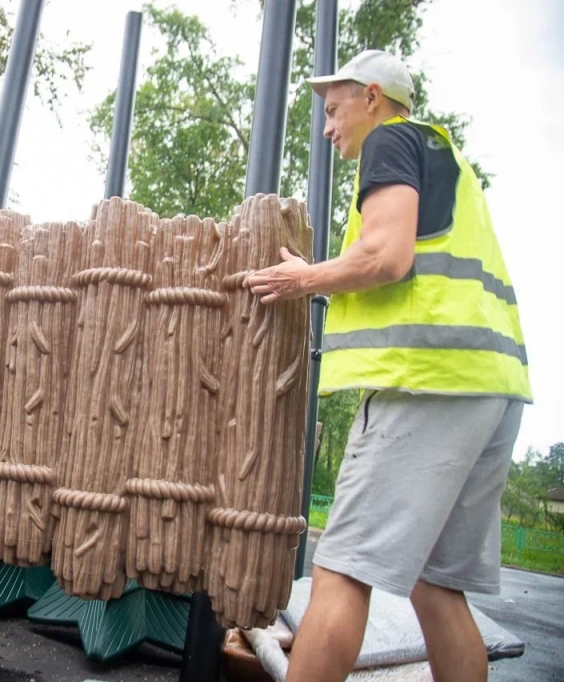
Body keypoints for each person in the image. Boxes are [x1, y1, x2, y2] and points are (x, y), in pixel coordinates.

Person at [245, 50, 531, 682]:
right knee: (435, 585)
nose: (328, 128)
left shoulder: (392, 142)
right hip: (491, 387)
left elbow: (386, 254)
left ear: (372, 97)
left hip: (425, 381)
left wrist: (304, 279)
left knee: (342, 567)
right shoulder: (445, 156)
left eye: (333, 109)